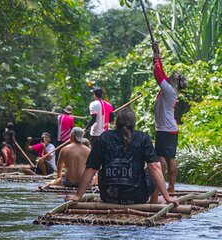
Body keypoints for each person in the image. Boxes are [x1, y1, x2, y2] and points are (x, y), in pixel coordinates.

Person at [66, 107, 179, 206]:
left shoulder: (104, 137)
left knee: (100, 169)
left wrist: (78, 195)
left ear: (117, 122)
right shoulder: (142, 138)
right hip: (137, 198)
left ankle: (154, 201)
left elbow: (91, 169)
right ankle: (153, 202)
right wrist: (167, 197)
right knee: (157, 164)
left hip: (108, 196)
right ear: (134, 123)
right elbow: (154, 167)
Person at [152, 42, 188, 193]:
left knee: (161, 158)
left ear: (175, 82)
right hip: (169, 128)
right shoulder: (171, 88)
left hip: (165, 129)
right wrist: (156, 53)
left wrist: (157, 58)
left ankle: (163, 186)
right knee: (169, 157)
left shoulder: (169, 90)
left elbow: (158, 74)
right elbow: (163, 74)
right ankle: (170, 186)